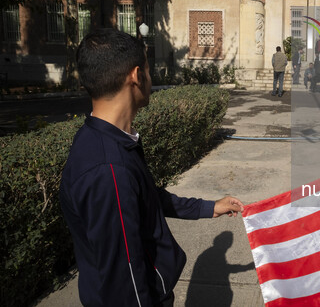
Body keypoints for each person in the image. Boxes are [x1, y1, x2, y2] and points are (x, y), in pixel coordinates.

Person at [60, 29, 244, 307]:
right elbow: (125, 283)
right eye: (148, 68)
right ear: (136, 76)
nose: (150, 76)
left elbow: (148, 197)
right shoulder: (109, 170)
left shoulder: (107, 139)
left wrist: (209, 208)